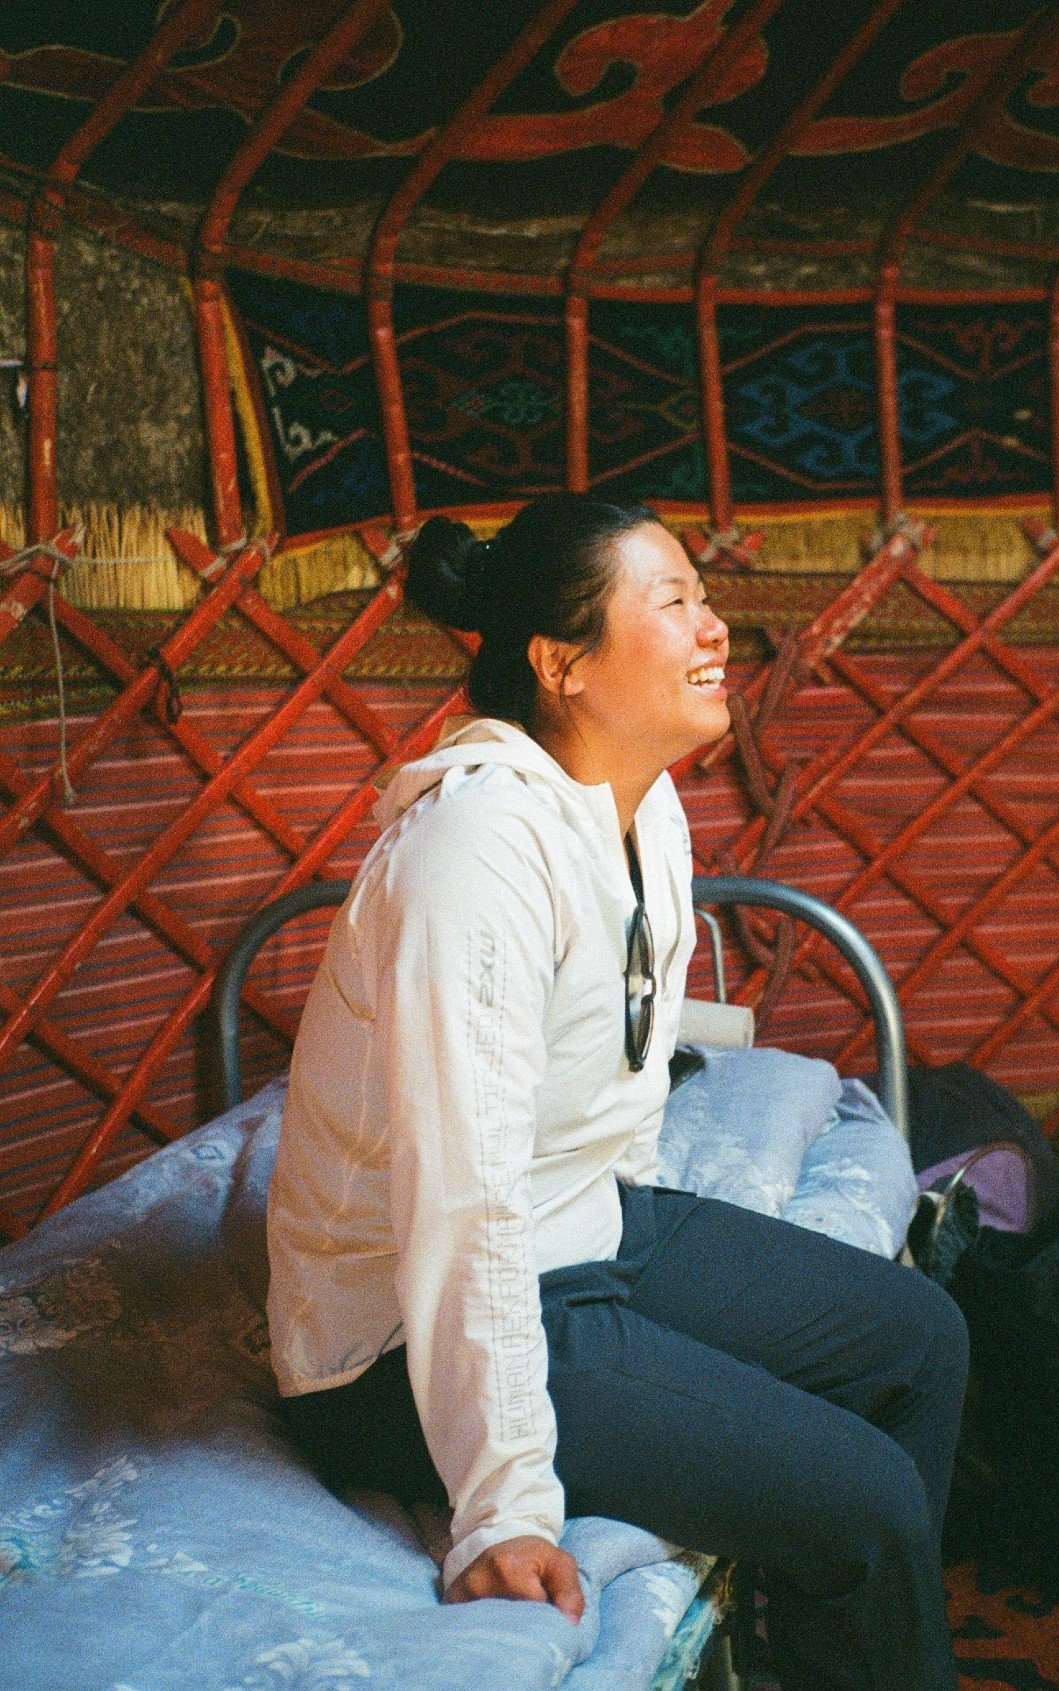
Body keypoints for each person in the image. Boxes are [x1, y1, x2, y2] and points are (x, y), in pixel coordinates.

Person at [266, 493, 969, 1690]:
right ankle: (859, 1590)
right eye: (674, 601)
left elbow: (613, 1079)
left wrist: (664, 1297)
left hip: (580, 1221)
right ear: (562, 664)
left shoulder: (646, 814)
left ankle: (819, 1646)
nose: (716, 629)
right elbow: (463, 1196)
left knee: (921, 1337)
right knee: (868, 1498)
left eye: (704, 595)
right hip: (392, 1335)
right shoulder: (471, 853)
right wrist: (499, 1509)